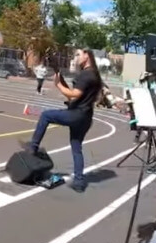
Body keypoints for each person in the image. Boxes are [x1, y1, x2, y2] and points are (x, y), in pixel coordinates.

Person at [25, 49, 103, 193]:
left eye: (78, 54)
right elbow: (75, 98)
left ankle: (33, 148)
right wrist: (61, 82)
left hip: (76, 115)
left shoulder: (86, 74)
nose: (76, 57)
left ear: (87, 56)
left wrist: (58, 85)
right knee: (76, 147)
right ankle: (79, 182)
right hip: (85, 118)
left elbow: (74, 94)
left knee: (46, 115)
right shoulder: (95, 75)